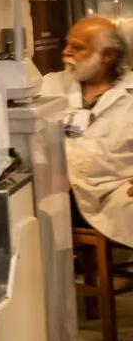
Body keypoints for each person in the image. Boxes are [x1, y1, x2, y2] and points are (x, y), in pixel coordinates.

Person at [41, 16, 133, 247]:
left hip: (116, 190)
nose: (66, 52)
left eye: (78, 47)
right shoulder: (48, 86)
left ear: (107, 56)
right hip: (62, 192)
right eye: (67, 44)